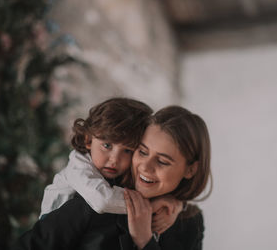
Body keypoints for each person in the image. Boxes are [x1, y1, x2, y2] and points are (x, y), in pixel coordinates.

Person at [14, 105, 211, 250]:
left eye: (162, 161)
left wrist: (145, 241)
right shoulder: (91, 199)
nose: (145, 167)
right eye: (142, 152)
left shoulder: (190, 222)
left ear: (190, 170)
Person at [39, 97, 181, 233]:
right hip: (52, 232)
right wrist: (150, 206)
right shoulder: (78, 168)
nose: (115, 159)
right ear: (88, 140)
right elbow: (103, 200)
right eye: (107, 145)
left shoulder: (124, 173)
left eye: (127, 150)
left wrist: (176, 205)